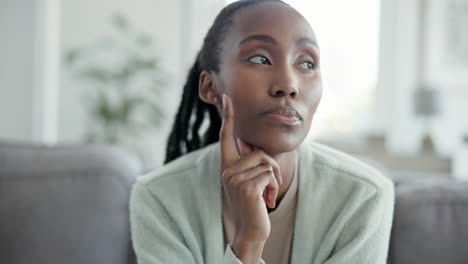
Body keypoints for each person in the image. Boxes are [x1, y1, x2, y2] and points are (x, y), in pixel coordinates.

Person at [129, 0, 395, 263]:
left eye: (306, 64)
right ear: (210, 87)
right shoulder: (159, 197)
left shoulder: (364, 197)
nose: (289, 85)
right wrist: (249, 241)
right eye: (260, 59)